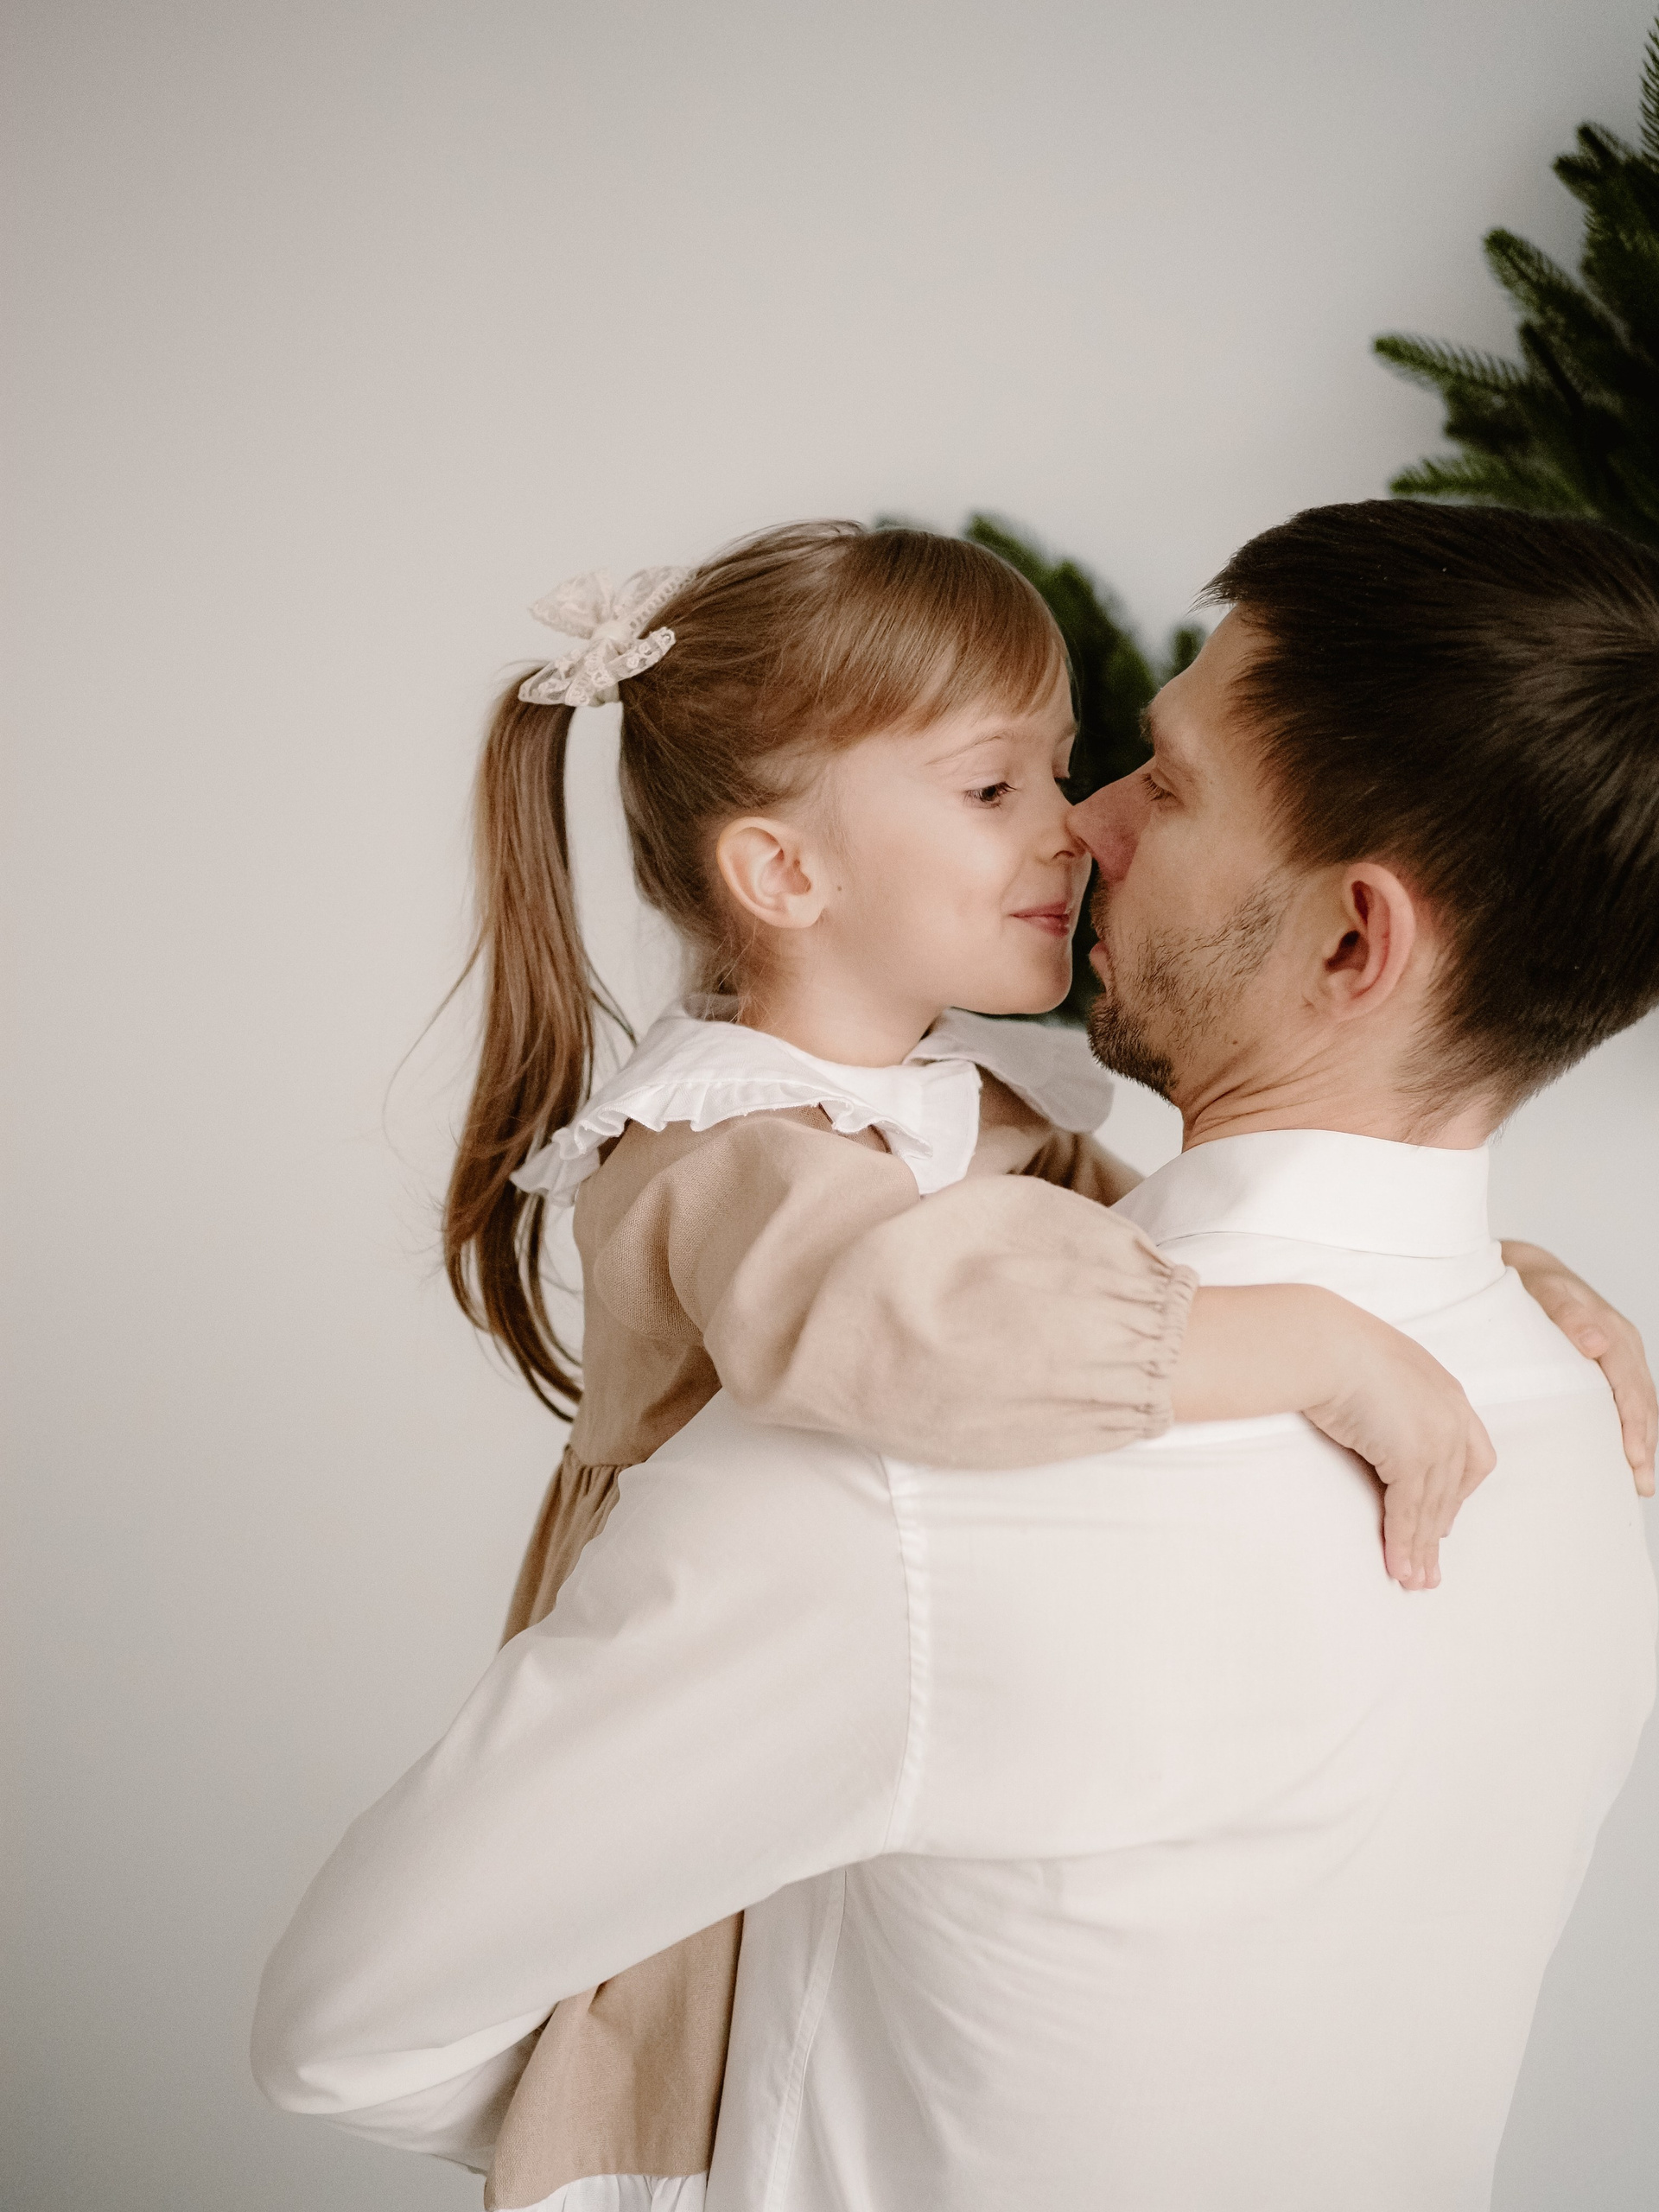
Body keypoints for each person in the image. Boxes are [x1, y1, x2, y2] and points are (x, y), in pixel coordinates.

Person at [255, 501, 1659, 2211]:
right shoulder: (1577, 1418)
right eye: (1015, 784)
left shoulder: (918, 1475)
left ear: (1355, 941)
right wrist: (1477, 1286)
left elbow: (347, 2028)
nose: (1090, 821)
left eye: (1164, 783)